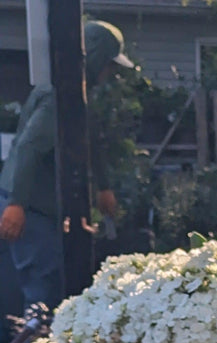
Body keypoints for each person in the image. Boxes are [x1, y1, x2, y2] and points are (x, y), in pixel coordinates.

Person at [0, 20, 134, 325]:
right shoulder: (58, 98)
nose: (110, 74)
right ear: (96, 58)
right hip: (30, 210)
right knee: (39, 294)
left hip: (34, 207)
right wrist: (17, 205)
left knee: (22, 288)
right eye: (109, 66)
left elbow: (90, 140)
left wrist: (103, 187)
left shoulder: (76, 96)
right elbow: (29, 148)